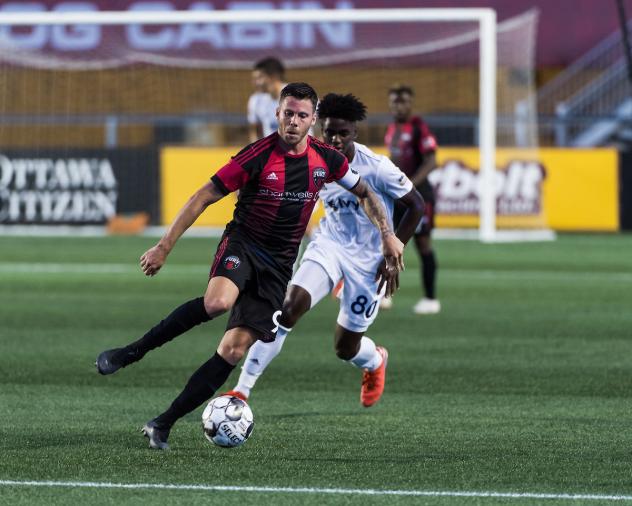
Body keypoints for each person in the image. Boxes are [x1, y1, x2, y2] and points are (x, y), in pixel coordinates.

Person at [95, 83, 405, 450]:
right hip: (244, 244)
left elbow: (366, 193)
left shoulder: (327, 159)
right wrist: (164, 247)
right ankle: (131, 352)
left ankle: (163, 423)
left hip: (278, 265)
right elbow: (203, 197)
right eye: (287, 113)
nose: (293, 121)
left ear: (312, 120)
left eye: (302, 115)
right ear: (277, 114)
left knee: (233, 350)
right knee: (217, 303)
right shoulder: (257, 155)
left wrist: (388, 235)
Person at [227, 93, 424, 407]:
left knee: (345, 348)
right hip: (329, 246)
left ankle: (374, 361)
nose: (335, 138)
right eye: (329, 131)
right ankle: (241, 390)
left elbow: (415, 205)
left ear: (354, 134)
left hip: (368, 261)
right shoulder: (312, 158)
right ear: (320, 128)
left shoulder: (376, 167)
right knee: (287, 310)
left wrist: (393, 250)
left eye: (343, 133)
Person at [384, 84, 440, 315]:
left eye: (404, 101)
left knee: (423, 244)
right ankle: (383, 294)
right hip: (397, 197)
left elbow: (432, 160)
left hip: (419, 198)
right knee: (390, 244)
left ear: (411, 104)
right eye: (395, 101)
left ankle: (430, 299)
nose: (399, 105)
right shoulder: (391, 128)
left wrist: (410, 185)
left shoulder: (418, 127)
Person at [247, 57, 287, 143]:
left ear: (274, 76)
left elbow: (321, 119)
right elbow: (254, 131)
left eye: (260, 78)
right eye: (254, 79)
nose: (256, 83)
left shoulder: (298, 95)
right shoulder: (255, 101)